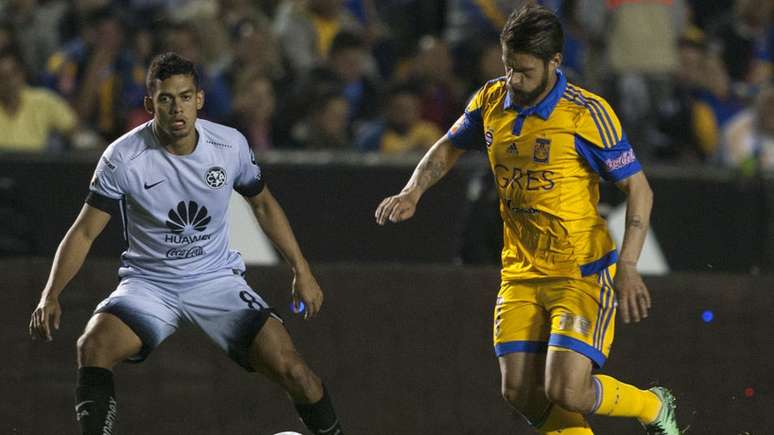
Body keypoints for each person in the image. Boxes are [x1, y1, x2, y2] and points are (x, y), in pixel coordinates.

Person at [375, 5, 679, 435]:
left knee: (567, 391)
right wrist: (413, 191)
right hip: (520, 272)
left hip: (580, 273)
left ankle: (652, 406)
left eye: (524, 71)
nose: (514, 81)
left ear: (555, 62)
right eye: (508, 67)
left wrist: (627, 266)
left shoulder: (586, 116)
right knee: (518, 391)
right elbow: (447, 145)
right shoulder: (490, 100)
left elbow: (640, 189)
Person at [29, 52, 344, 435]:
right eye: (165, 99)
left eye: (184, 96)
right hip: (150, 284)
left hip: (216, 279)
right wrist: (51, 293)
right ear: (150, 104)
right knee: (92, 348)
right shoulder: (123, 157)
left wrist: (301, 268)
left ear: (199, 100)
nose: (176, 108)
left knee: (295, 371)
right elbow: (84, 232)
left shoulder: (229, 147)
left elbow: (263, 203)